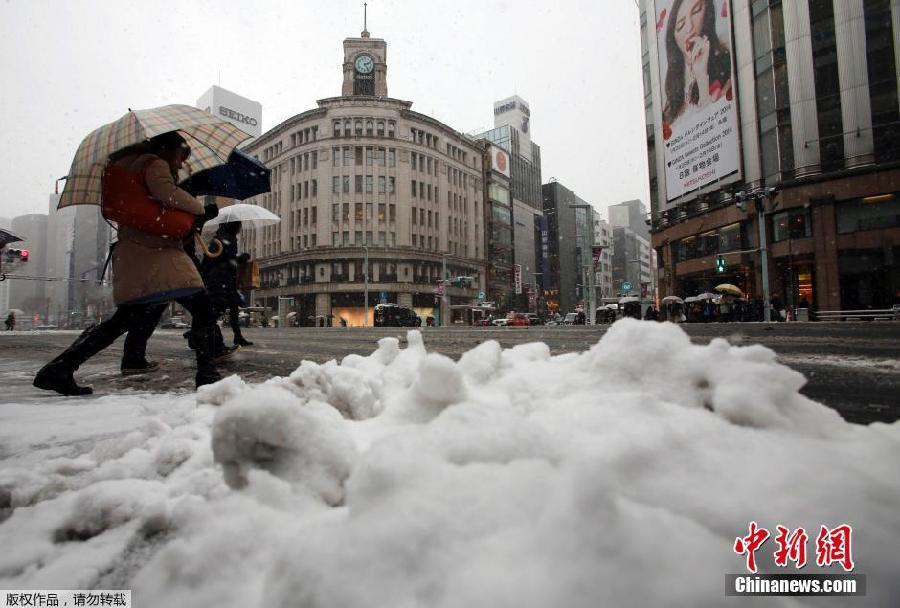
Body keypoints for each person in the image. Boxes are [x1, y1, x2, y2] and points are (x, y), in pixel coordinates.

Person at [34, 131, 226, 395]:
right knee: (203, 308)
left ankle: (59, 368)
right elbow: (166, 193)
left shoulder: (124, 168)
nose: (181, 164)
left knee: (123, 319)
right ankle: (207, 376)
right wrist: (199, 209)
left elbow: (148, 207)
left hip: (134, 251)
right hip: (157, 253)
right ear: (168, 150)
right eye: (181, 156)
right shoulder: (154, 164)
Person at [662, 0, 733, 129]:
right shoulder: (672, 99)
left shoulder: (727, 62)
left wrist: (701, 76)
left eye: (696, 11)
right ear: (674, 38)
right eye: (681, 24)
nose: (690, 27)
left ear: (707, 12)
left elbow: (714, 128)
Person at [200, 221, 253, 347]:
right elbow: (222, 262)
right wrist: (240, 259)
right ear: (233, 226)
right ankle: (199, 333)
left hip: (225, 280)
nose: (240, 228)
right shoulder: (223, 240)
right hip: (219, 281)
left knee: (233, 308)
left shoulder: (224, 239)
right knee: (219, 309)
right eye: (239, 226)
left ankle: (237, 336)